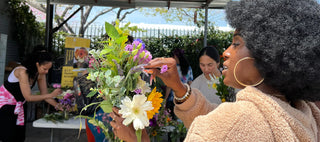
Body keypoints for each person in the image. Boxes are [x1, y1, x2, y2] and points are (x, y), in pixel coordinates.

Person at [109, 0, 320, 141]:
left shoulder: (232, 123)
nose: (226, 53)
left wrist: (138, 139)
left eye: (236, 43)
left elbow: (225, 124)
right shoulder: (306, 114)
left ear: (268, 54)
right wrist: (178, 87)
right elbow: (215, 116)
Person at [0, 48, 62, 142]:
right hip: (5, 107)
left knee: (20, 137)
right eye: (45, 69)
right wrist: (51, 95)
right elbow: (28, 97)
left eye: (48, 69)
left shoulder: (39, 73)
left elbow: (44, 94)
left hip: (20, 106)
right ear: (37, 64)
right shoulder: (22, 71)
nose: (46, 72)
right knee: (7, 137)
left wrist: (59, 106)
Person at [165, 48, 193, 119]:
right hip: (184, 98)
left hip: (173, 98)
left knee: (172, 121)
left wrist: (165, 98)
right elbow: (190, 83)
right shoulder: (188, 68)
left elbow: (169, 86)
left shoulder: (172, 68)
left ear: (175, 57)